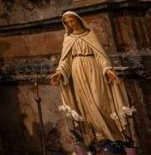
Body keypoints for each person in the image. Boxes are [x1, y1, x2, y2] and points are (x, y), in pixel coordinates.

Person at [50, 11, 130, 144]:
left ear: (78, 20)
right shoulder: (68, 38)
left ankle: (114, 136)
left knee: (99, 101)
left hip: (93, 69)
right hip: (77, 72)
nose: (71, 24)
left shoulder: (90, 35)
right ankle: (98, 137)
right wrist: (59, 72)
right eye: (67, 22)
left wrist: (107, 69)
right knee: (86, 105)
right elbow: (65, 60)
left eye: (72, 20)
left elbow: (100, 55)